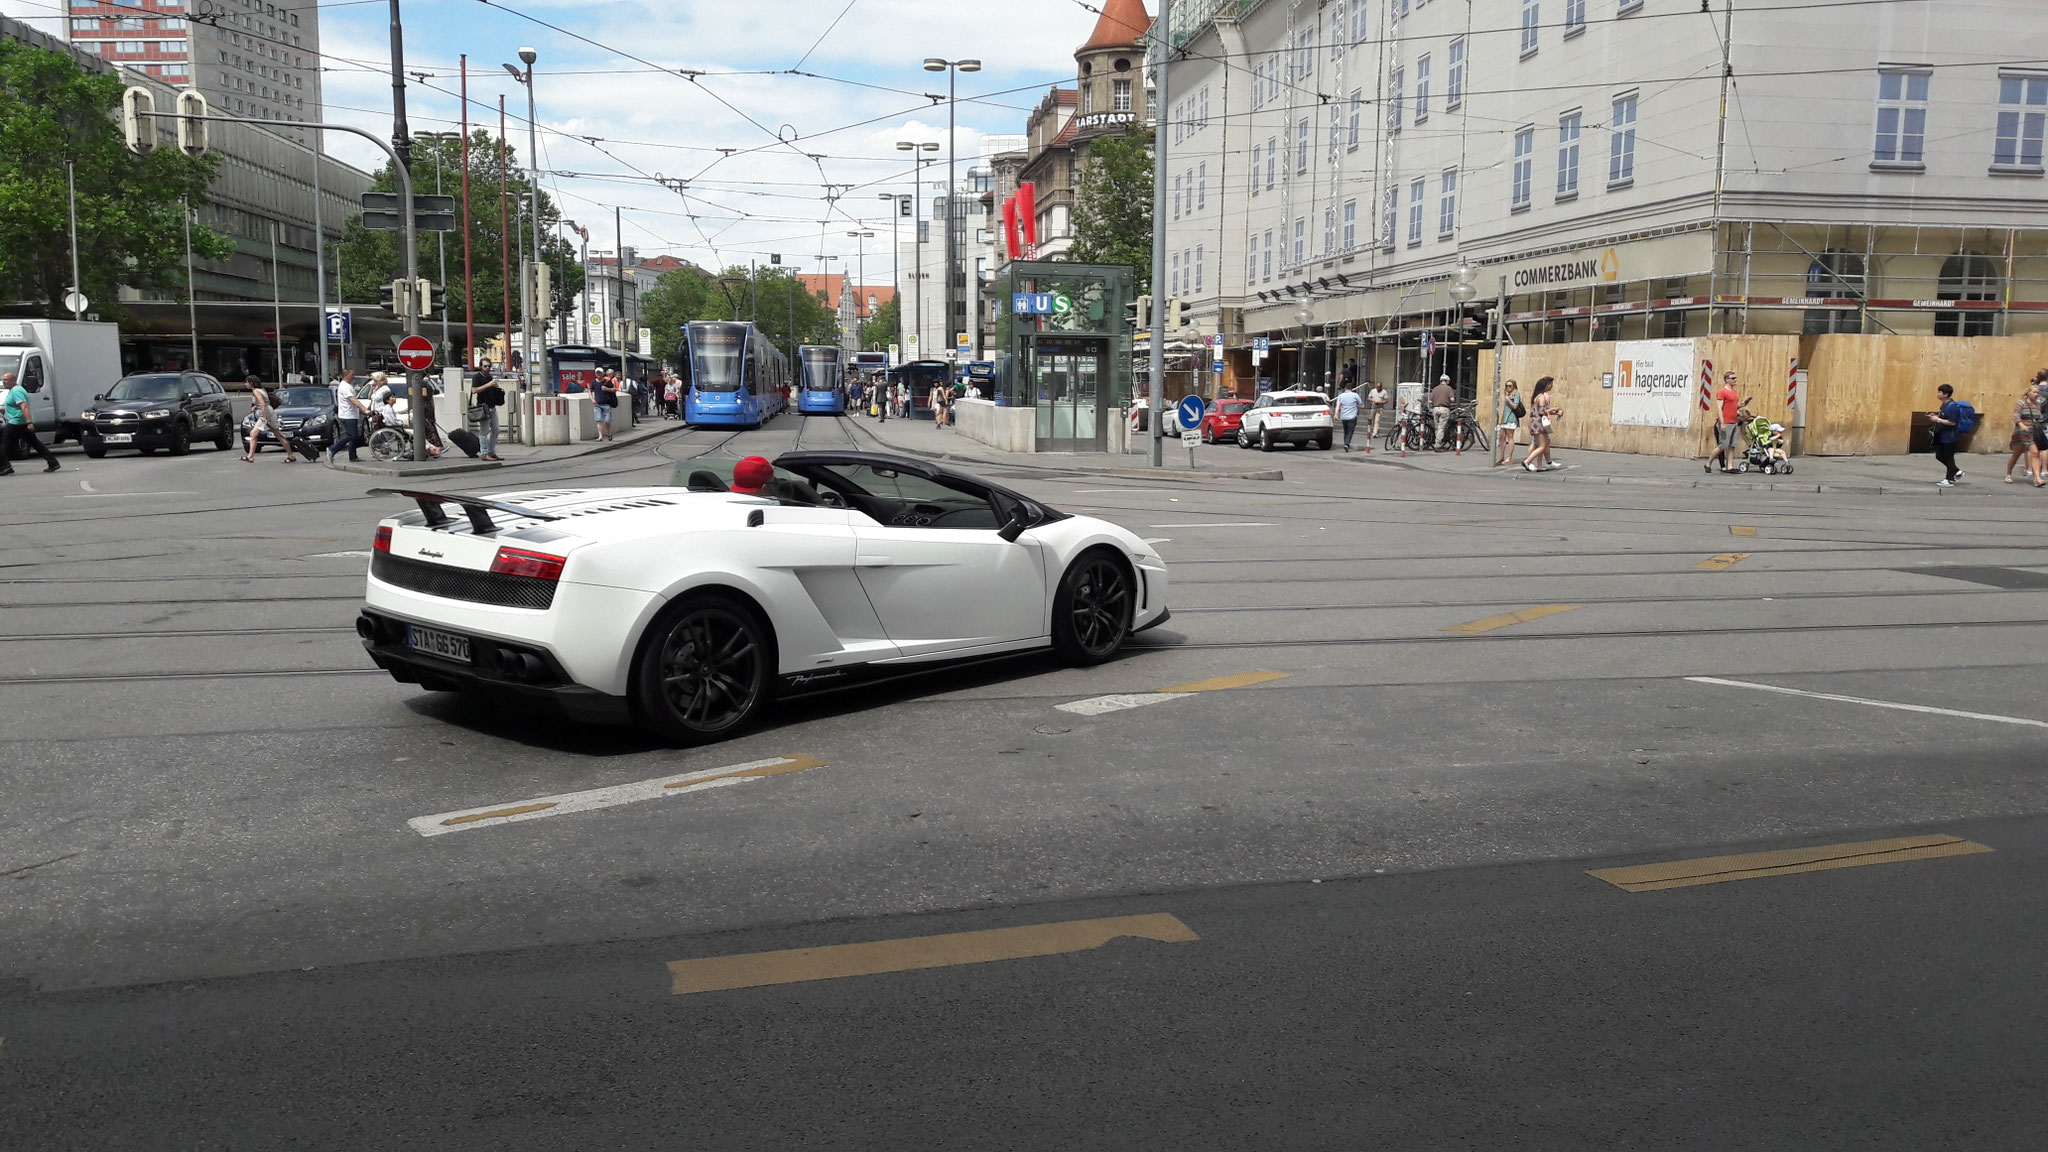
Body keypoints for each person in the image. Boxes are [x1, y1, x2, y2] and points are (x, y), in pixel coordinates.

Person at [0, 370, 59, 474]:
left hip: (17, 423)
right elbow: (13, 407)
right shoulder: (14, 390)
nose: (4, 382)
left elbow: (24, 407)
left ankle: (5, 466)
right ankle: (53, 462)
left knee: (3, 445)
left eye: (6, 380)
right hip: (21, 423)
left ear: (13, 380)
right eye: (3, 380)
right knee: (36, 444)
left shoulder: (16, 391)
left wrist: (29, 423)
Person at [243, 377, 300, 463]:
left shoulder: (256, 391)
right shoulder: (261, 389)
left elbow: (262, 404)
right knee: (278, 435)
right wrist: (256, 407)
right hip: (268, 412)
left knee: (254, 433)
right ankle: (291, 455)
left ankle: (250, 456)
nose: (245, 384)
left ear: (251, 383)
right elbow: (264, 403)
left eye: (247, 382)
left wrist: (265, 418)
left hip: (266, 414)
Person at [1930, 383, 1968, 487]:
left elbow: (1952, 422)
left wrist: (1937, 419)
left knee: (1948, 457)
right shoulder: (1944, 405)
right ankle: (1956, 471)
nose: (1937, 394)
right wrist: (1936, 416)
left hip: (1950, 436)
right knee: (1940, 455)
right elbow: (1943, 417)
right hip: (1942, 435)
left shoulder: (1953, 407)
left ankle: (1949, 479)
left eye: (1940, 392)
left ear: (1946, 394)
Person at [1522, 376, 1562, 472]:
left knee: (1540, 445)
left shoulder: (1537, 396)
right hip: (1538, 424)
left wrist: (1555, 412)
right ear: (1546, 385)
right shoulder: (1542, 397)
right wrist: (1554, 409)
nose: (1552, 386)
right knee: (1542, 446)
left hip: (1535, 423)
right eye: (1551, 384)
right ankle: (1527, 461)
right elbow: (1542, 412)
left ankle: (1539, 465)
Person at [328, 368, 367, 463]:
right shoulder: (344, 386)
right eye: (352, 375)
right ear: (345, 376)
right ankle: (332, 449)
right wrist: (364, 409)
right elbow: (352, 400)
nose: (353, 377)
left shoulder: (348, 386)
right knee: (351, 435)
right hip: (347, 415)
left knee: (354, 436)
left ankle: (353, 456)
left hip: (352, 414)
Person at [1707, 370, 1743, 474]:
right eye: (1733, 378)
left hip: (1734, 422)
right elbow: (1719, 408)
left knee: (1732, 445)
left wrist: (1740, 406)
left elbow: (1733, 407)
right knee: (1723, 445)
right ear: (1727, 380)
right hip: (1726, 422)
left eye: (1735, 378)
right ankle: (1708, 463)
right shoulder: (1722, 392)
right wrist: (1722, 423)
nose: (1735, 380)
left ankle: (1730, 466)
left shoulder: (1734, 393)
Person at [470, 359, 505, 462]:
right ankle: (484, 453)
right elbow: (474, 390)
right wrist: (489, 385)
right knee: (484, 430)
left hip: (492, 406)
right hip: (483, 407)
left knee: (496, 429)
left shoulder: (489, 376)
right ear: (481, 366)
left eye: (489, 366)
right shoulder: (477, 377)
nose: (488, 368)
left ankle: (491, 452)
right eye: (485, 366)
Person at [1496, 380, 1525, 467]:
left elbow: (1515, 406)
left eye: (1510, 386)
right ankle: (1501, 457)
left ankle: (1509, 457)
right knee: (1502, 437)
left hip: (1511, 418)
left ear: (1514, 386)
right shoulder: (1507, 394)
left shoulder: (1516, 394)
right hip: (1504, 418)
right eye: (1507, 386)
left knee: (1510, 437)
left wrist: (1508, 400)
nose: (1508, 387)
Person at [1334, 380, 1362, 451]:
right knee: (1350, 431)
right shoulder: (1355, 395)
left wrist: (1336, 414)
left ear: (1345, 388)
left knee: (1345, 431)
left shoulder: (1341, 396)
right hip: (1352, 416)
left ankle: (1346, 443)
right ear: (1352, 389)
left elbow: (1338, 406)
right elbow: (1360, 404)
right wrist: (1358, 410)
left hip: (1344, 416)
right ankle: (1347, 444)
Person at [1429, 374, 1455, 450]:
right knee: (1441, 428)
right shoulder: (1448, 388)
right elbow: (1452, 399)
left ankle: (1437, 442)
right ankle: (1438, 445)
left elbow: (1430, 401)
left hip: (1435, 409)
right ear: (1447, 381)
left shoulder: (1435, 389)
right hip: (1444, 409)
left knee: (1437, 427)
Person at [1364, 381, 1389, 452]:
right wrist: (1373, 400)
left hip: (1380, 407)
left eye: (1379, 387)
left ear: (1381, 387)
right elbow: (1369, 397)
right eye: (1377, 387)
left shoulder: (1384, 392)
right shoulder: (1373, 391)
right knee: (1371, 419)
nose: (1378, 388)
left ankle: (1374, 433)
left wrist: (1381, 402)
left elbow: (1386, 400)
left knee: (1377, 420)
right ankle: (1373, 431)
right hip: (1373, 406)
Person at [592, 371, 617, 442]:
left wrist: (607, 389)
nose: (598, 374)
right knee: (599, 420)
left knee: (607, 421)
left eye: (599, 373)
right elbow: (590, 390)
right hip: (597, 404)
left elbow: (614, 389)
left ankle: (609, 433)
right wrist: (592, 399)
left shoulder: (607, 382)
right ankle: (600, 436)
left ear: (603, 374)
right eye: (597, 373)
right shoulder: (593, 382)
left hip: (606, 404)